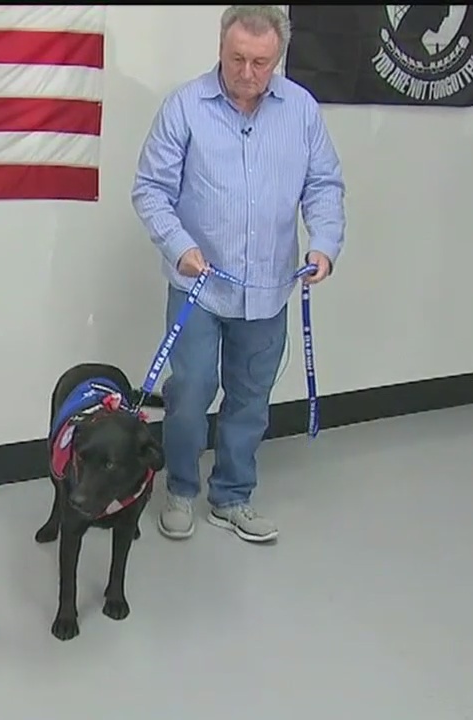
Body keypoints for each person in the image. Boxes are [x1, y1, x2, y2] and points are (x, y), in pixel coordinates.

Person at [131, 6, 347, 544]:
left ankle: (231, 496)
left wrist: (324, 244)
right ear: (221, 50)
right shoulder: (184, 107)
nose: (247, 73)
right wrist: (179, 247)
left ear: (278, 58)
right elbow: (150, 190)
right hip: (198, 288)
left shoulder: (301, 110)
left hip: (269, 290)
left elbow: (324, 186)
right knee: (191, 391)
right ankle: (181, 489)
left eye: (261, 62)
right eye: (236, 60)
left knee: (251, 397)